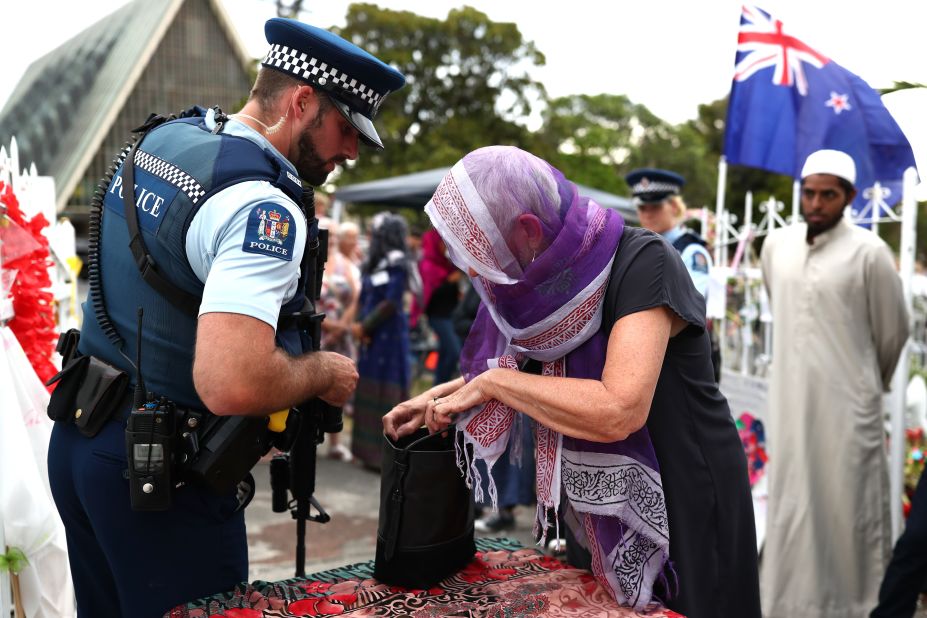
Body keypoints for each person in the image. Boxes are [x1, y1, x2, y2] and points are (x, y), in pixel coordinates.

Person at [46, 18, 404, 617]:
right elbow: (232, 381)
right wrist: (322, 372)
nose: (349, 152)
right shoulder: (264, 206)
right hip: (159, 481)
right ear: (302, 101)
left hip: (83, 438)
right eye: (346, 130)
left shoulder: (165, 140)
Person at [383, 146, 760, 617]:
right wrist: (439, 397)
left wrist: (494, 385)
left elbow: (618, 408)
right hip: (594, 505)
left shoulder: (645, 262)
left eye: (482, 252)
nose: (477, 272)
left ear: (529, 230)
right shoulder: (545, 280)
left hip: (682, 490)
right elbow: (521, 363)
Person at [759, 149, 910, 618]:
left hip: (848, 408)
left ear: (849, 197)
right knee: (793, 501)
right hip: (789, 401)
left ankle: (854, 606)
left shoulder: (869, 252)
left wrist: (862, 383)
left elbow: (893, 332)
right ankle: (784, 605)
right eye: (810, 192)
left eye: (829, 194)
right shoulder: (775, 247)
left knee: (847, 508)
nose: (817, 203)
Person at [626, 167, 720, 382]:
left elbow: (688, 306)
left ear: (674, 207)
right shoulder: (636, 247)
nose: (648, 212)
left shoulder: (691, 250)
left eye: (655, 206)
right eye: (642, 206)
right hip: (644, 354)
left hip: (680, 357)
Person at [350, 213, 419, 469]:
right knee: (368, 385)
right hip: (372, 336)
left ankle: (385, 455)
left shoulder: (398, 263)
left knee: (385, 388)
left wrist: (364, 326)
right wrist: (361, 325)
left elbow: (391, 302)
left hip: (388, 338)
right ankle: (366, 451)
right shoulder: (376, 262)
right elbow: (367, 296)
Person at [318, 216, 361, 462]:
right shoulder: (308, 261)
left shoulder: (347, 264)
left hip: (340, 336)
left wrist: (341, 326)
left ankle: (335, 442)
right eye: (327, 233)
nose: (331, 239)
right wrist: (328, 325)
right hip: (316, 331)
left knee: (340, 384)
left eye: (334, 235)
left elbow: (355, 297)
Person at [419, 228, 464, 385]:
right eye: (442, 242)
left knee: (446, 352)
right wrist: (450, 281)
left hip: (450, 314)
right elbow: (430, 294)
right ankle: (441, 385)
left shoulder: (446, 264)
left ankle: (438, 388)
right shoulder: (428, 265)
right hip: (438, 315)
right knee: (453, 352)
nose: (445, 246)